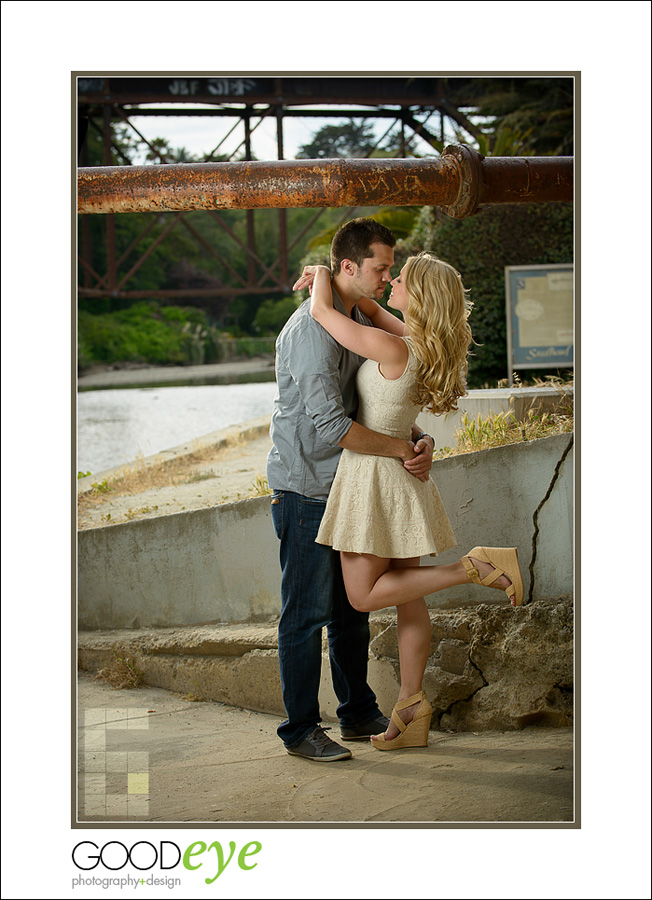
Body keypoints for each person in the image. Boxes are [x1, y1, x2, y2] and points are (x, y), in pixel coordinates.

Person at [295, 252, 524, 751]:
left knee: (362, 595)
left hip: (374, 477)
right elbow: (375, 312)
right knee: (407, 596)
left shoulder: (393, 348)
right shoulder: (420, 345)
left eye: (400, 279)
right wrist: (335, 282)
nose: (389, 282)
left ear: (418, 297)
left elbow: (321, 315)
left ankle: (473, 567)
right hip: (405, 478)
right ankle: (412, 708)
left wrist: (320, 274)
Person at [266, 218, 435, 762]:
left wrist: (418, 437)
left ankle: (358, 711)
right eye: (381, 268)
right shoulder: (310, 332)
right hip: (307, 490)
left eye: (391, 269)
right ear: (347, 267)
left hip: (352, 487)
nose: (388, 278)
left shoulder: (356, 317)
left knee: (351, 613)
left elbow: (377, 405)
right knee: (305, 614)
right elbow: (331, 426)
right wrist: (400, 452)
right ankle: (299, 730)